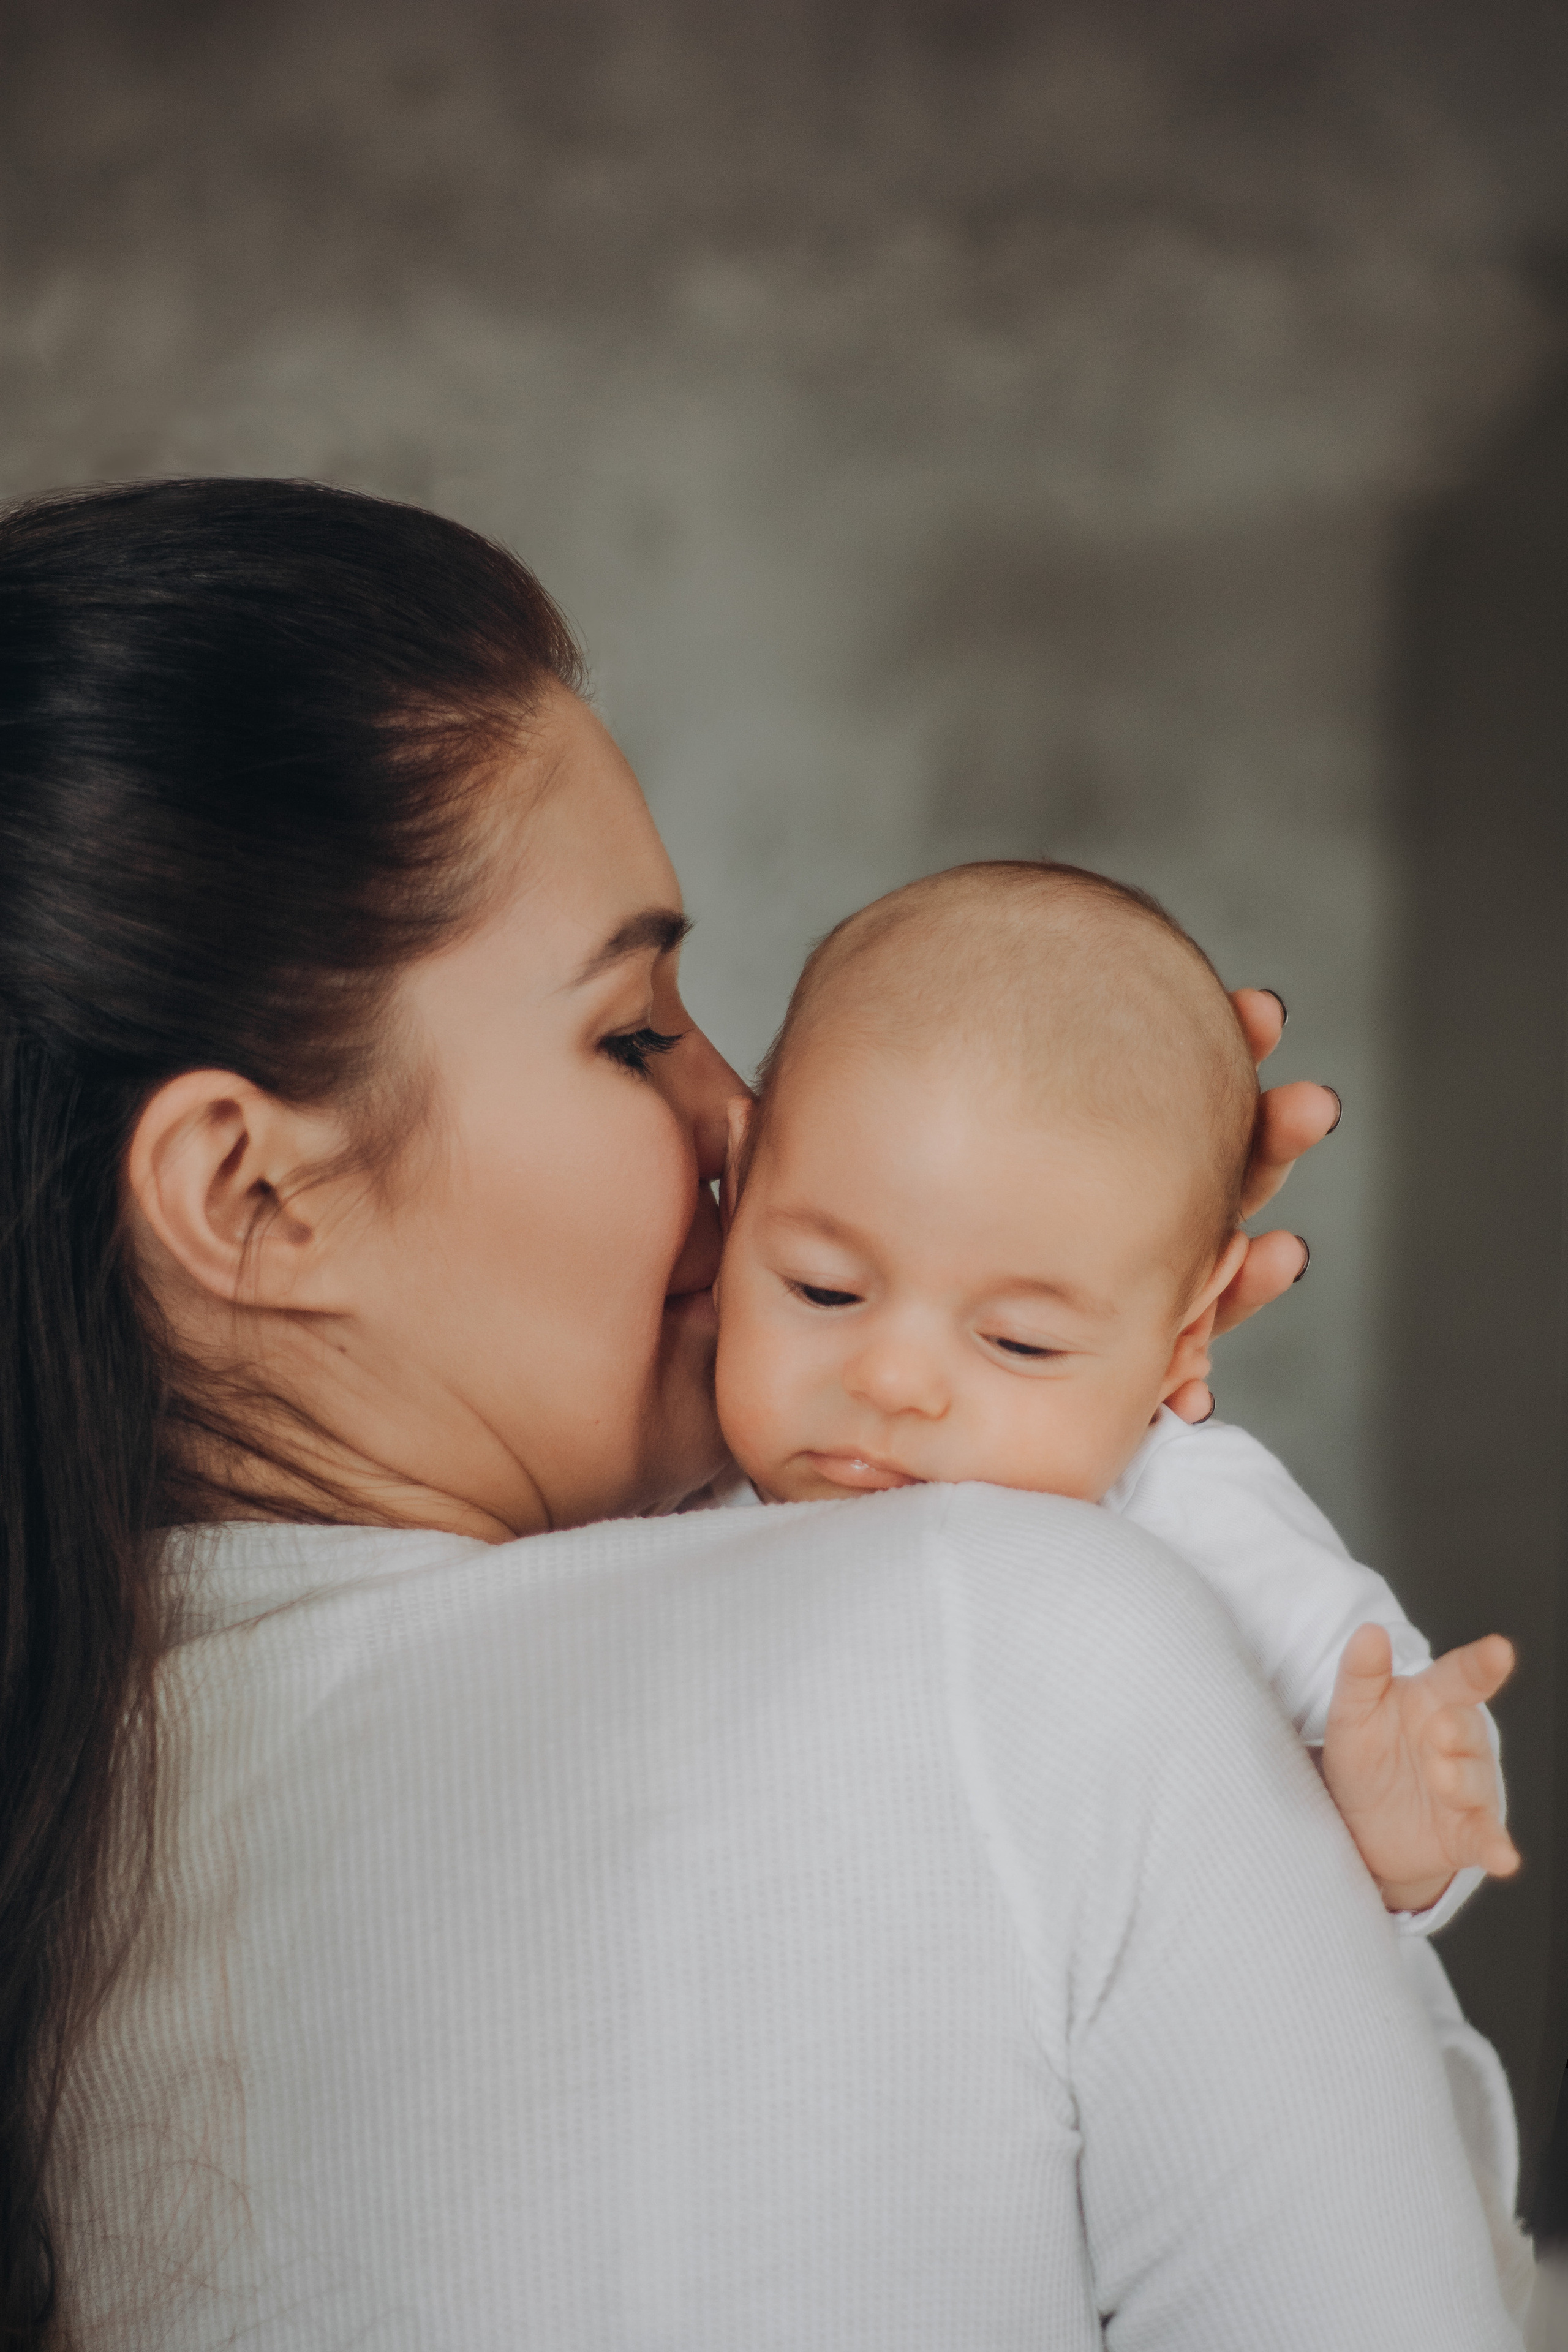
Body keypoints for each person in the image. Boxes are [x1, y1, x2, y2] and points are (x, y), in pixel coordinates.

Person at [0, 480, 1521, 2350]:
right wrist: (1073, 1379)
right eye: (635, 1032)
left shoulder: (59, 1827)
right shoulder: (1006, 1628)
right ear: (245, 1192)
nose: (751, 1127)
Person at [712, 859, 1532, 2311]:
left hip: (1216, 2141)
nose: (889, 1380)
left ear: (1180, 1341)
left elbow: (1366, 1695)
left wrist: (1401, 1833)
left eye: (1018, 1343)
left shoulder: (1179, 1504)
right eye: (821, 1288)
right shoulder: (696, 1483)